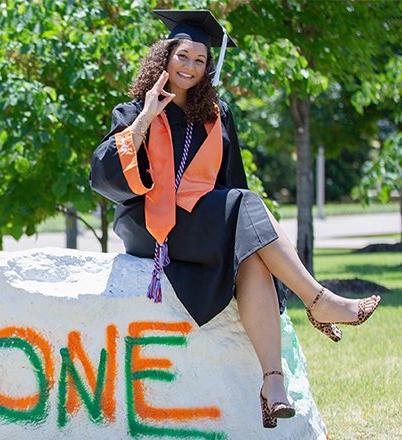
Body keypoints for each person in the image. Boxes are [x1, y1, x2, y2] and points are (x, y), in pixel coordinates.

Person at [89, 9, 381, 429]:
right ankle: (317, 300)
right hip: (149, 224)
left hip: (202, 222)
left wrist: (246, 236)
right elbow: (103, 177)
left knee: (252, 254)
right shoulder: (133, 109)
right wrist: (145, 119)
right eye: (182, 56)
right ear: (165, 57)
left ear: (209, 68)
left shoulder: (217, 114)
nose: (189, 67)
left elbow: (232, 183)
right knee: (245, 205)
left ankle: (273, 384)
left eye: (200, 60)